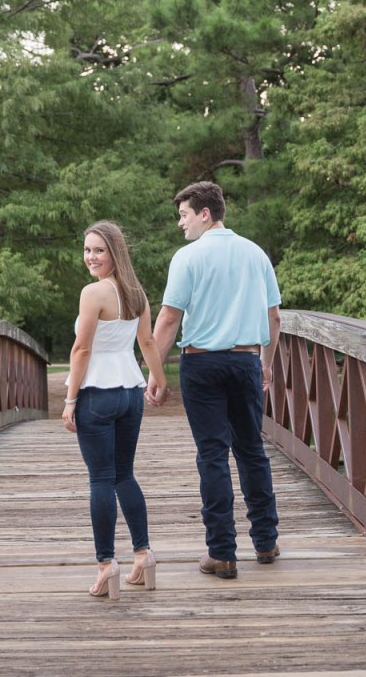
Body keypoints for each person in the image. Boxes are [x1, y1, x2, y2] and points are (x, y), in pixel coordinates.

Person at [147, 181, 281, 579]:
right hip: (245, 361)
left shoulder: (188, 257)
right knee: (251, 450)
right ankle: (266, 541)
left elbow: (170, 318)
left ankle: (222, 552)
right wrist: (266, 363)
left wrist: (155, 375)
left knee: (212, 455)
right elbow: (274, 318)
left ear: (205, 214)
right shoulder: (256, 253)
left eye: (184, 215)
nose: (180, 224)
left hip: (202, 365)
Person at [62, 220, 168, 601]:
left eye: (99, 250)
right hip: (129, 392)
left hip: (98, 394)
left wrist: (70, 399)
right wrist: (157, 380)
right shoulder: (137, 293)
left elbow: (82, 350)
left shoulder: (93, 293)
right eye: (88, 249)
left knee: (101, 480)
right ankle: (144, 555)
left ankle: (107, 565)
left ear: (114, 253)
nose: (91, 257)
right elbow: (148, 341)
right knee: (125, 475)